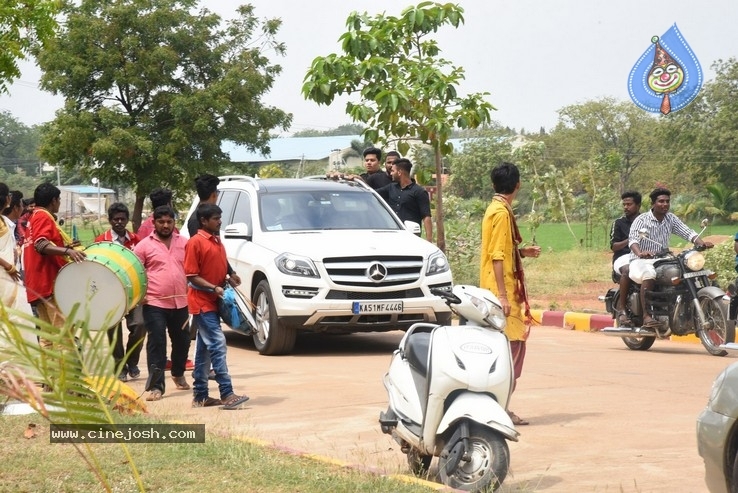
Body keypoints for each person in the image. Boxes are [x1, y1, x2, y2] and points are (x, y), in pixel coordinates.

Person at [480, 162, 541, 426]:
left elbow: (500, 249)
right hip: (502, 292)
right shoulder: (502, 213)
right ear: (518, 185)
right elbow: (497, 255)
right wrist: (503, 297)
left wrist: (522, 253)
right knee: (511, 351)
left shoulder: (494, 208)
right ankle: (499, 409)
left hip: (493, 287)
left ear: (494, 185)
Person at [185, 203, 247, 409]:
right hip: (202, 303)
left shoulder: (217, 240)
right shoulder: (195, 243)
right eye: (215, 218)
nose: (220, 221)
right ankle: (227, 393)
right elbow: (192, 276)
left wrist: (231, 275)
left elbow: (221, 261)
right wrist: (213, 287)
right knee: (218, 344)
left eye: (220, 218)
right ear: (204, 221)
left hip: (215, 301)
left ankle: (200, 396)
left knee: (204, 349)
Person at [628, 187, 712, 328]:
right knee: (649, 275)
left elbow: (688, 232)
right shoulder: (641, 220)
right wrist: (640, 252)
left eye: (667, 201)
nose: (665, 204)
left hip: (663, 259)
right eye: (661, 201)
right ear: (653, 204)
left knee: (688, 271)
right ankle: (646, 316)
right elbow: (633, 240)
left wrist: (700, 243)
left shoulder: (670, 218)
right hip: (641, 260)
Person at [134, 205, 192, 401]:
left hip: (181, 302)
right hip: (154, 302)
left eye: (169, 222)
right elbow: (134, 272)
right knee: (157, 342)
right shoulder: (143, 246)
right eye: (161, 222)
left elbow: (192, 270)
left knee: (183, 341)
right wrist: (139, 295)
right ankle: (156, 386)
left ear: (174, 222)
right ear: (154, 223)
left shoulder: (185, 243)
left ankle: (177, 373)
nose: (165, 225)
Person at [23, 183, 86, 352]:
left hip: (37, 285)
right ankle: (66, 377)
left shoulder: (33, 216)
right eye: (59, 200)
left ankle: (50, 376)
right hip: (49, 284)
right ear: (54, 200)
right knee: (64, 337)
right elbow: (41, 244)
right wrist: (68, 252)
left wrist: (67, 247)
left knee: (48, 337)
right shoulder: (43, 216)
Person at [95, 202, 145, 382]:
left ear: (127, 220)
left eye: (122, 219)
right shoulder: (101, 240)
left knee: (139, 325)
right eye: (115, 219)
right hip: (109, 294)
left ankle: (132, 362)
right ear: (110, 220)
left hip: (135, 292)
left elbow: (142, 266)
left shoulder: (136, 241)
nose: (119, 222)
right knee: (113, 331)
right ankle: (119, 367)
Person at [376, 158, 433, 242]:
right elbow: (372, 193)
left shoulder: (419, 192)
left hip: (411, 238)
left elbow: (426, 216)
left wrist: (429, 241)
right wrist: (359, 180)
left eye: (392, 171)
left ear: (399, 172)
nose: (391, 173)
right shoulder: (391, 188)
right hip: (391, 236)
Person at [609, 191, 642, 326]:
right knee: (628, 270)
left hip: (642, 256)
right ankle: (622, 309)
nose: (626, 207)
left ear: (638, 205)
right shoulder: (618, 223)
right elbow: (613, 246)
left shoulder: (646, 221)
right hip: (623, 257)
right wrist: (630, 240)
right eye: (624, 204)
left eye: (629, 204)